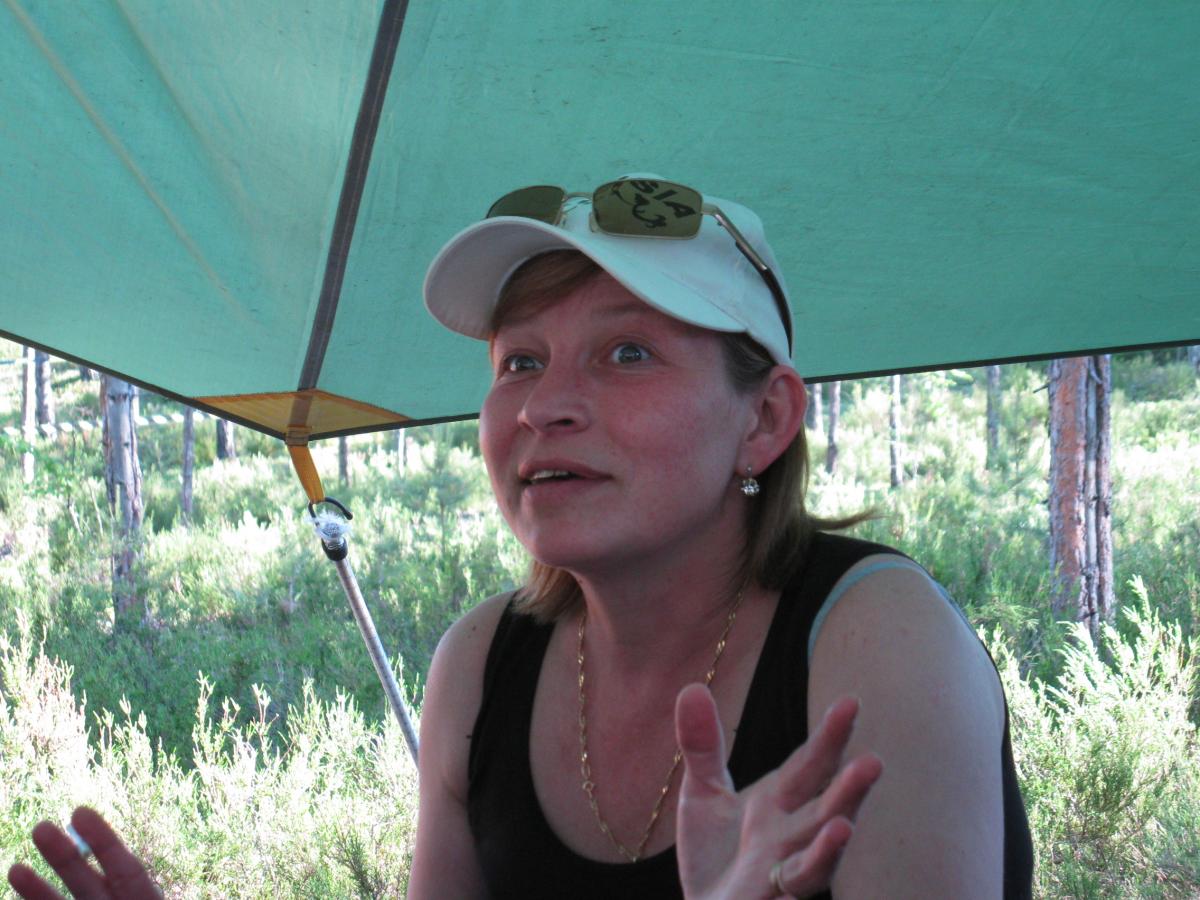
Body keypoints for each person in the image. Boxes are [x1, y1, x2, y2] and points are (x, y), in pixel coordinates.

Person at [10, 176, 1033, 899]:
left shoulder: (876, 640)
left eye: (627, 353)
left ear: (764, 419)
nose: (546, 406)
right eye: (520, 363)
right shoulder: (481, 662)